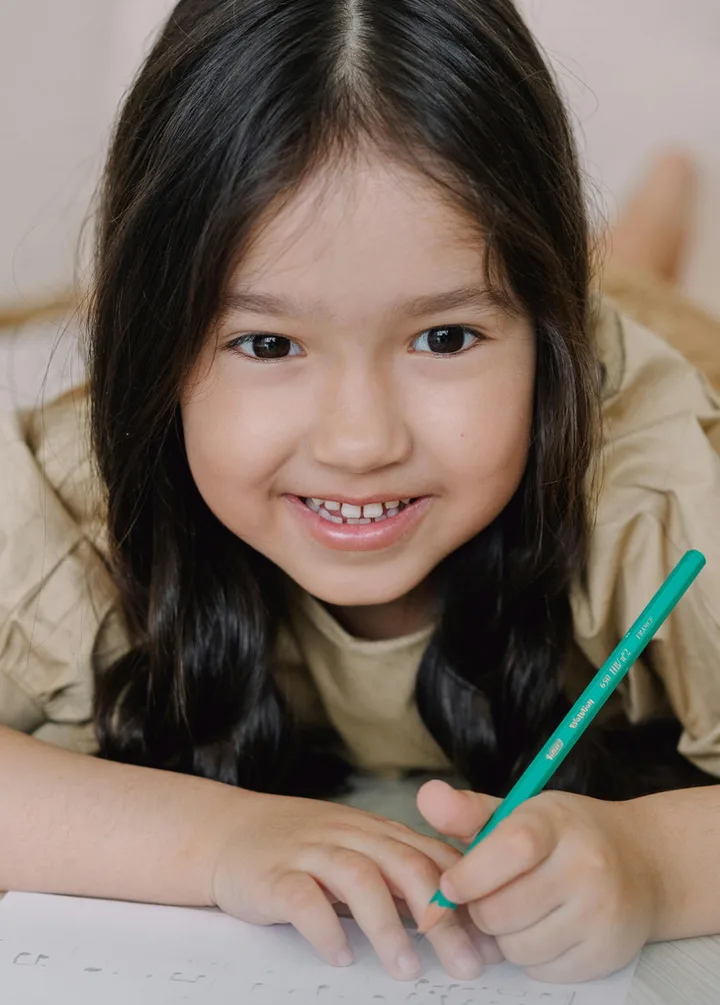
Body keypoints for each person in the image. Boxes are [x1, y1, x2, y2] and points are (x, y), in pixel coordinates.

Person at [1, 0, 719, 987]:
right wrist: (224, 843)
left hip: (643, 340)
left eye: (446, 337)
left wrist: (654, 866)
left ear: (547, 338)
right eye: (268, 342)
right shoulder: (79, 490)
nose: (360, 442)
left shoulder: (663, 490)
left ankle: (660, 209)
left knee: (637, 284)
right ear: (153, 338)